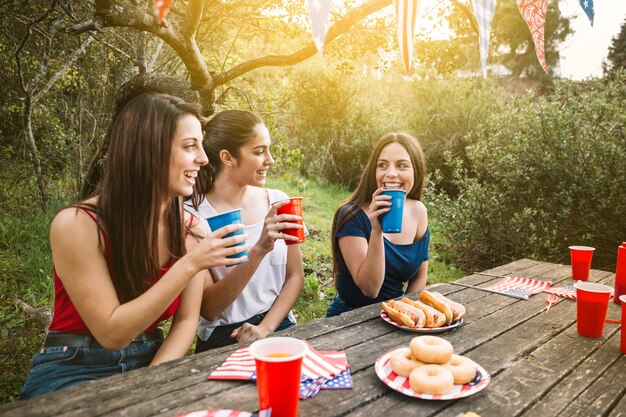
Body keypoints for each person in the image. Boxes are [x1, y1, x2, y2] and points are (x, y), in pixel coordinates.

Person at [20, 94, 249, 399]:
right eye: (189, 145)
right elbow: (112, 333)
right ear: (149, 150)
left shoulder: (190, 228)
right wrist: (190, 263)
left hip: (153, 358)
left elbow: (186, 322)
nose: (203, 159)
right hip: (75, 363)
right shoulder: (78, 224)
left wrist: (149, 387)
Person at [186, 110, 305, 352]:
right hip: (224, 335)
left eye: (268, 150)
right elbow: (209, 308)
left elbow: (295, 277)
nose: (270, 160)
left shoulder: (279, 202)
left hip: (278, 323)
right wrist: (260, 248)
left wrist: (266, 328)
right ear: (228, 157)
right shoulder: (194, 216)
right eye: (259, 151)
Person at [325, 132, 429, 317]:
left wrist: (407, 313)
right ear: (374, 171)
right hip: (350, 318)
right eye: (382, 165)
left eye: (402, 165)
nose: (390, 173)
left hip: (395, 315)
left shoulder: (418, 211)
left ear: (416, 171)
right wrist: (376, 230)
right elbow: (370, 289)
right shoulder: (350, 215)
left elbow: (419, 277)